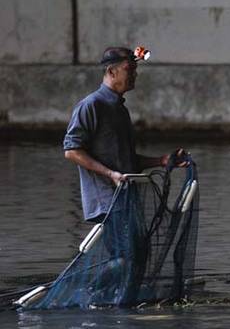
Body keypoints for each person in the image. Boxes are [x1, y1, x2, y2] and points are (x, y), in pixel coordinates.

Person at [63, 46, 184, 222]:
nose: (135, 75)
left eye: (135, 70)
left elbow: (126, 161)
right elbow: (72, 151)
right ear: (112, 71)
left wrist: (162, 161)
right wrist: (110, 174)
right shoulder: (91, 105)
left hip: (127, 202)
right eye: (129, 70)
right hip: (107, 205)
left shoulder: (120, 110)